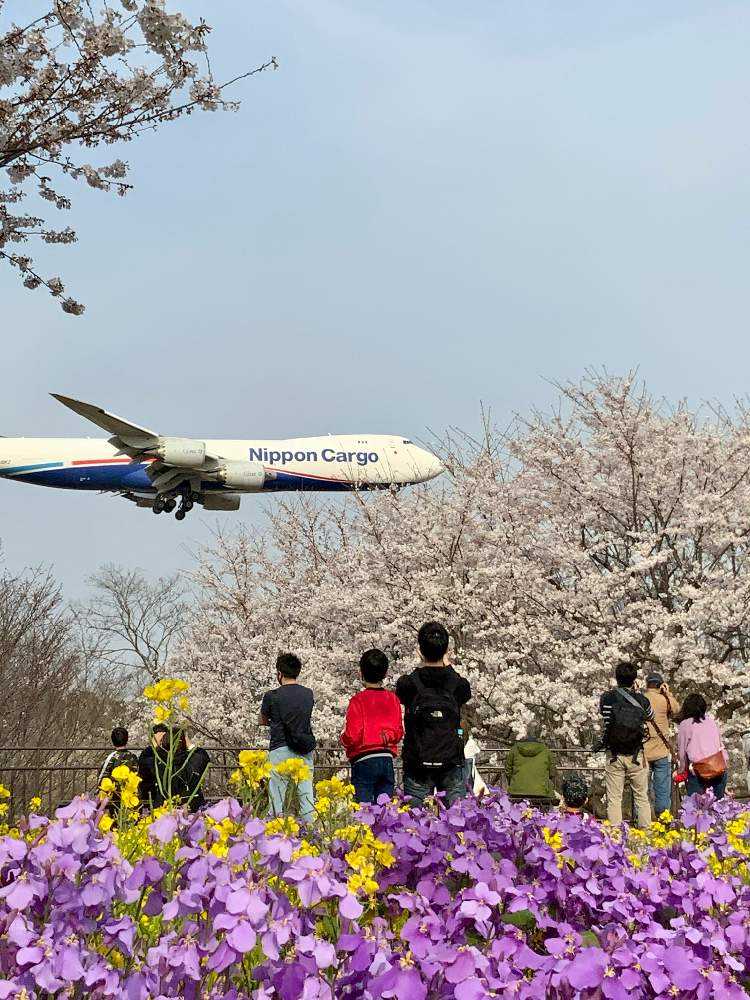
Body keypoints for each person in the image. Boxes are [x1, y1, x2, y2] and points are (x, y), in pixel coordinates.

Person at [396, 621, 472, 807]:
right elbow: (465, 691)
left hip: (417, 764)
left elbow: (401, 694)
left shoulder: (408, 684)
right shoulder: (458, 685)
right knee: (456, 822)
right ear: (446, 651)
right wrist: (448, 666)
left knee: (412, 823)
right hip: (451, 762)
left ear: (420, 650)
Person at [340, 648, 404, 803]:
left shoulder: (358, 700)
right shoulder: (393, 699)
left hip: (364, 759)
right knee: (384, 808)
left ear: (361, 672)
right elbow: (399, 732)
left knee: (363, 809)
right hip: (386, 757)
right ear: (385, 673)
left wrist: (343, 738)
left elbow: (352, 735)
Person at [260, 653, 316, 821]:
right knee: (306, 797)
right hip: (303, 749)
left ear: (279, 673)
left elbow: (262, 720)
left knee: (276, 798)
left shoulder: (272, 695)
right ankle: (312, 836)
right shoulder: (308, 694)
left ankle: (273, 834)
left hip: (280, 749)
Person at [598, 661, 654, 829]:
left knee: (614, 798)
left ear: (616, 678)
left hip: (614, 754)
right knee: (641, 797)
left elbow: (604, 716)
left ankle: (615, 836)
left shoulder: (607, 698)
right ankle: (646, 834)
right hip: (636, 754)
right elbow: (650, 717)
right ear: (634, 679)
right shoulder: (642, 701)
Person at [676, 693, 728, 800]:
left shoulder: (685, 725)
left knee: (696, 806)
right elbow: (720, 744)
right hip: (719, 766)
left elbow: (682, 752)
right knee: (718, 806)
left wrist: (681, 770)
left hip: (700, 769)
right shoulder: (711, 721)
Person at [643, 673, 680, 817]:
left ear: (647, 685)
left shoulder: (641, 699)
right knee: (663, 790)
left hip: (643, 752)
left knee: (641, 791)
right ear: (660, 685)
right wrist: (668, 693)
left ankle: (641, 823)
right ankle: (663, 821)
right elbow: (677, 710)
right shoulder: (665, 700)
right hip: (661, 752)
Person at [153, 728, 211, 812]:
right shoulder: (194, 758)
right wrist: (188, 743)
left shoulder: (158, 760)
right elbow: (203, 756)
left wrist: (155, 746)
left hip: (163, 811)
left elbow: (145, 763)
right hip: (192, 808)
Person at [504, 723, 555, 803]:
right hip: (541, 792)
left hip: (517, 791)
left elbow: (508, 770)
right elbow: (552, 773)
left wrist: (514, 782)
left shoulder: (515, 749)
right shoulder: (546, 750)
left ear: (526, 732)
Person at [98, 727, 138, 814]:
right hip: (130, 795)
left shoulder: (112, 757)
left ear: (113, 740)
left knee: (116, 820)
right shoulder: (133, 757)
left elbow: (102, 777)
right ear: (126, 739)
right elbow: (136, 774)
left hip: (115, 797)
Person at [138, 723, 169, 810]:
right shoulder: (147, 752)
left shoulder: (168, 752)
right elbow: (148, 768)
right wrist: (155, 745)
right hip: (149, 793)